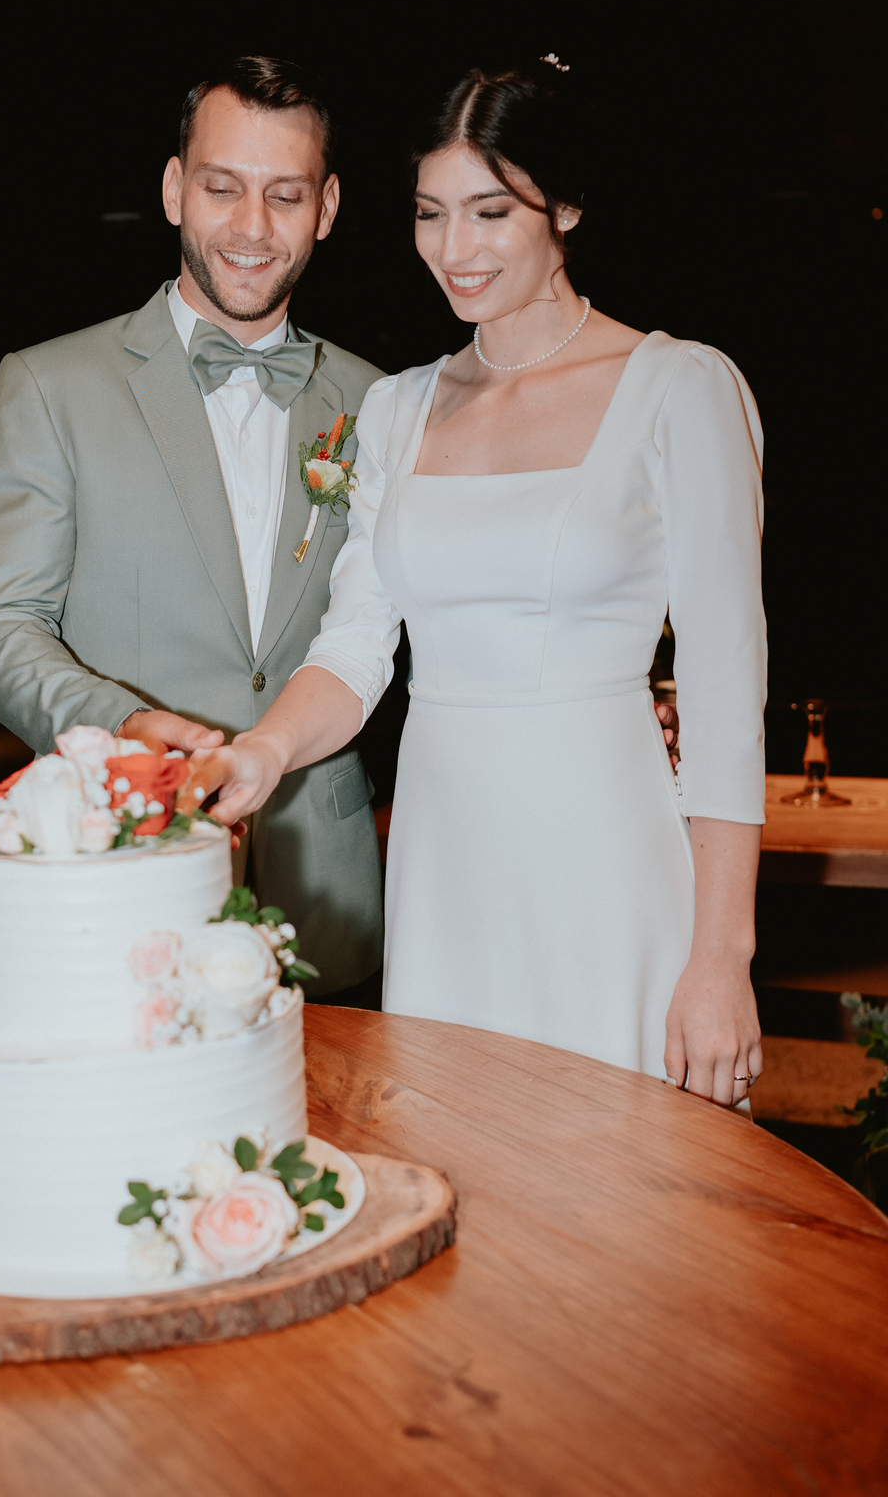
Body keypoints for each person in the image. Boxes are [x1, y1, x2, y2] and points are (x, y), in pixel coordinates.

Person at [202, 60, 767, 1104]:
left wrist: (721, 959)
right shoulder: (398, 409)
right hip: (444, 861)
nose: (454, 249)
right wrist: (263, 750)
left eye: (491, 212)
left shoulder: (679, 389)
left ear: (568, 208)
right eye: (431, 213)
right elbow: (356, 645)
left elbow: (727, 695)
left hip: (606, 852)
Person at [0, 57, 387, 999]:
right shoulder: (48, 387)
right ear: (173, 189)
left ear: (327, 207)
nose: (252, 227)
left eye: (285, 195)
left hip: (331, 894)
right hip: (128, 873)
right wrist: (120, 723)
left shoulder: (380, 404)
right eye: (223, 188)